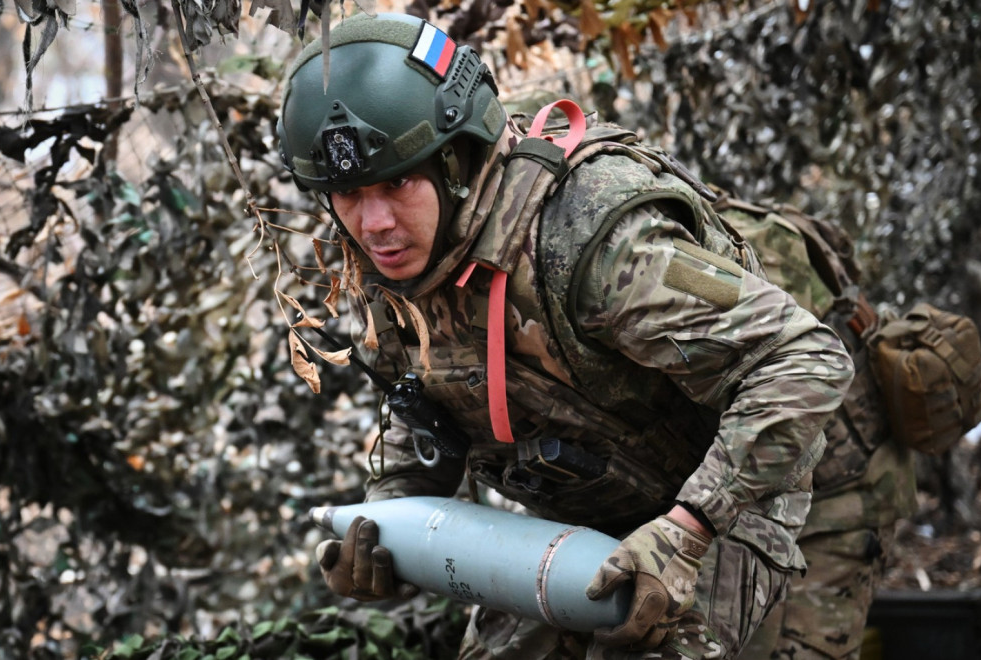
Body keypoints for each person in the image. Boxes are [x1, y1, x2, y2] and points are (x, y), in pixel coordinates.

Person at [276, 12, 854, 659]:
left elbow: (802, 360)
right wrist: (387, 521)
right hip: (586, 507)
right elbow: (428, 393)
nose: (374, 221)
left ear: (457, 159)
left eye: (397, 182)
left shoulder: (587, 236)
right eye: (348, 194)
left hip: (734, 490)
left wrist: (687, 531)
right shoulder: (398, 259)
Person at [716, 200, 918, 660]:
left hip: (844, 496)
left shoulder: (752, 243)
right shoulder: (719, 227)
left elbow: (792, 375)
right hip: (790, 482)